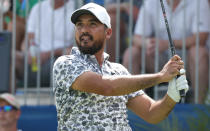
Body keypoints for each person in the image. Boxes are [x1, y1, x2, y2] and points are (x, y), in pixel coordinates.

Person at [53, 3, 189, 130]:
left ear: (108, 33)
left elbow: (151, 113)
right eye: (79, 25)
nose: (84, 30)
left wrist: (172, 96)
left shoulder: (118, 71)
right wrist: (160, 77)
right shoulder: (65, 63)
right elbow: (107, 87)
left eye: (92, 24)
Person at [123, 0, 210, 104]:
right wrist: (148, 43)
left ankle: (198, 108)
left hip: (189, 61)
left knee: (198, 52)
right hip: (160, 59)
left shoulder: (200, 2)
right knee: (131, 53)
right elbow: (137, 38)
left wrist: (168, 44)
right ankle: (139, 107)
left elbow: (201, 38)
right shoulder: (150, 2)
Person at [16, 0, 75, 87]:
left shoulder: (76, 12)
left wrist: (49, 54)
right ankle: (6, 98)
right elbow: (26, 41)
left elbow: (76, 51)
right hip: (32, 60)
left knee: (63, 64)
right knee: (10, 57)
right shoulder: (38, 8)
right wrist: (28, 52)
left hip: (58, 61)